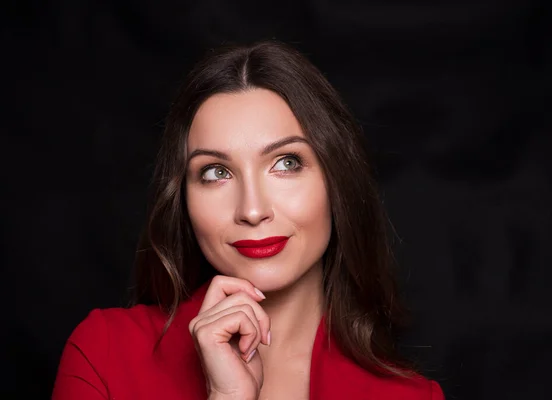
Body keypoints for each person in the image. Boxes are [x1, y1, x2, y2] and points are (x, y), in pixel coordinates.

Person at [52, 40, 444, 399]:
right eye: (216, 172)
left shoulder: (411, 396)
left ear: (336, 179)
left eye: (286, 163)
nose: (252, 211)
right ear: (184, 198)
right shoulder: (104, 353)